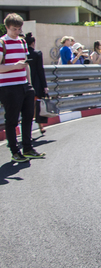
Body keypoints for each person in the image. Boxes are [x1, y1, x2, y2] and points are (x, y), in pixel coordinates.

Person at [0, 13, 45, 162]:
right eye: (14, 29)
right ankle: (14, 150)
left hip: (24, 85)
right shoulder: (2, 43)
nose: (17, 32)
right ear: (6, 27)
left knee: (28, 118)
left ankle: (27, 147)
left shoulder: (22, 42)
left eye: (19, 29)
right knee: (12, 120)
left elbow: (26, 65)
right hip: (8, 87)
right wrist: (15, 66)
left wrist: (30, 84)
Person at [25, 32, 49, 134]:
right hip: (36, 84)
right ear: (33, 43)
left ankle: (27, 131)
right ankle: (40, 126)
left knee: (26, 108)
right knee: (37, 106)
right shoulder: (37, 54)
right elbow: (40, 71)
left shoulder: (23, 54)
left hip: (24, 83)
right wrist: (45, 86)